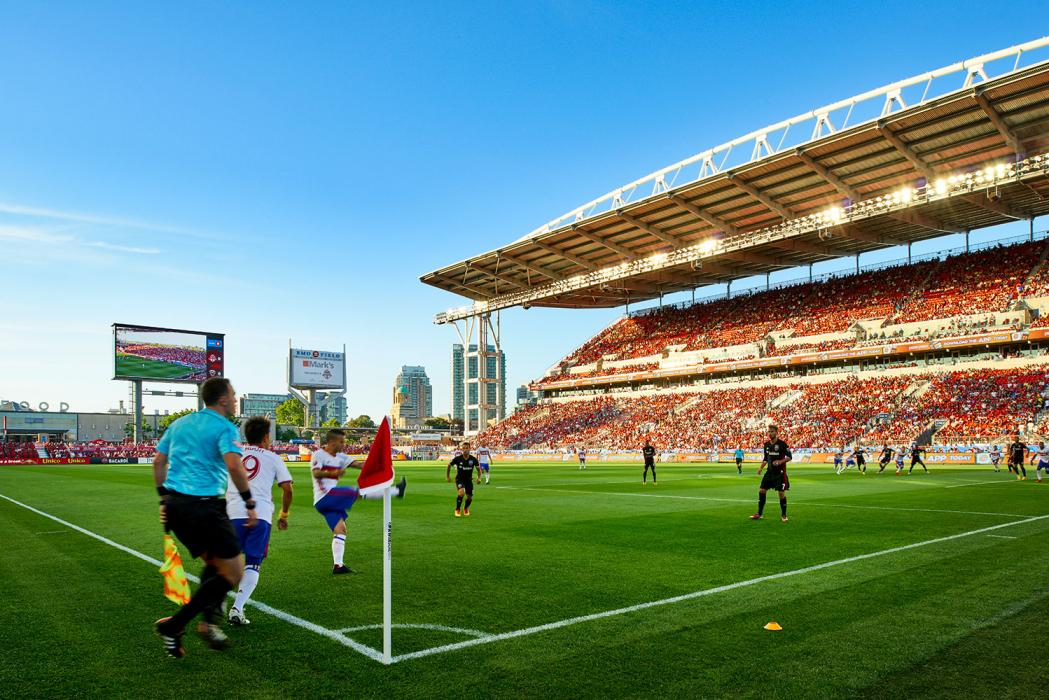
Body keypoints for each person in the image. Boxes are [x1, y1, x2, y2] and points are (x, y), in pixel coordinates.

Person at [153, 377, 255, 658]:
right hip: (204, 506)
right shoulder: (224, 426)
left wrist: (163, 498)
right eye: (233, 395)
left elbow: (158, 462)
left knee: (214, 564)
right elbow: (234, 466)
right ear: (222, 399)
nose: (235, 399)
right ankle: (176, 625)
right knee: (233, 573)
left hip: (176, 507)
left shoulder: (180, 423)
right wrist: (249, 501)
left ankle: (208, 622)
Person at [226, 416, 293, 626]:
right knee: (253, 563)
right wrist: (283, 515)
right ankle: (237, 608)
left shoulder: (235, 454)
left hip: (232, 514)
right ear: (266, 436)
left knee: (227, 562)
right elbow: (288, 489)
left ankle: (213, 602)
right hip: (261, 515)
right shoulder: (274, 458)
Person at [311, 429, 406, 575]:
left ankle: (338, 565)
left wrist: (380, 462)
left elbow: (360, 465)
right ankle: (397, 491)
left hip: (328, 502)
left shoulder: (341, 457)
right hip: (326, 497)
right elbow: (316, 473)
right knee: (356, 492)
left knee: (340, 530)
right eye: (341, 441)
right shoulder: (319, 454)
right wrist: (332, 473)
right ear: (331, 442)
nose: (344, 444)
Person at [750, 425, 791, 523]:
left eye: (772, 431)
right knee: (761, 491)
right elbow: (765, 458)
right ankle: (759, 513)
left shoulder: (782, 444)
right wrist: (760, 468)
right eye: (769, 431)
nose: (770, 433)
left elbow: (789, 457)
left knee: (781, 494)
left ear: (776, 432)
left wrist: (780, 462)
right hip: (769, 472)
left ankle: (784, 515)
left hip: (780, 473)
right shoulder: (766, 445)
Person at [447, 441, 481, 517]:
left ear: (470, 449)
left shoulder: (473, 459)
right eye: (463, 448)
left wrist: (479, 478)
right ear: (462, 449)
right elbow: (449, 465)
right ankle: (457, 509)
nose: (465, 450)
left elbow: (479, 470)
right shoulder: (458, 459)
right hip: (459, 479)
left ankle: (466, 508)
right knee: (461, 493)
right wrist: (448, 476)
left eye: (467, 448)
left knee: (469, 498)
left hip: (469, 480)